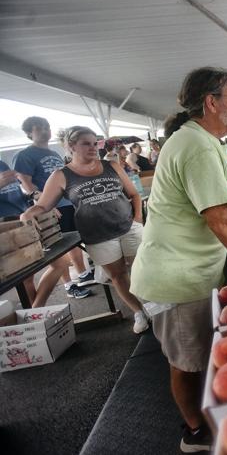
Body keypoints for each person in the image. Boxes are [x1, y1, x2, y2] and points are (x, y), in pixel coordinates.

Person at [129, 67, 227, 452]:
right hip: (177, 278)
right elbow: (219, 219)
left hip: (187, 270)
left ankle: (206, 421)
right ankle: (196, 432)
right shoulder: (198, 146)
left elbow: (222, 214)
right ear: (211, 102)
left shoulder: (202, 140)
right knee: (188, 363)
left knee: (199, 356)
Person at [20, 126, 147, 329]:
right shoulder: (61, 175)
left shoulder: (111, 166)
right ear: (71, 146)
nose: (93, 147)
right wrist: (28, 214)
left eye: (94, 143)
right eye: (86, 143)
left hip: (128, 227)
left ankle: (153, 306)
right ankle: (139, 312)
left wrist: (137, 219)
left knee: (144, 269)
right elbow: (44, 205)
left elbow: (134, 194)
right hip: (98, 235)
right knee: (118, 276)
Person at [13, 116, 94, 298]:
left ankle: (83, 274)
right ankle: (68, 285)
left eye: (47, 127)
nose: (45, 130)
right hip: (48, 208)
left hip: (66, 204)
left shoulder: (54, 154)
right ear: (28, 133)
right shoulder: (25, 155)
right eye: (39, 128)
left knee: (71, 241)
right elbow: (25, 182)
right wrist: (43, 204)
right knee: (57, 249)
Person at [1, 160, 71, 306]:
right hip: (6, 227)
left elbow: (17, 192)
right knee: (26, 278)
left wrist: (40, 202)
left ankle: (35, 311)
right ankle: (36, 314)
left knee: (61, 263)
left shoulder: (2, 164)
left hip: (24, 219)